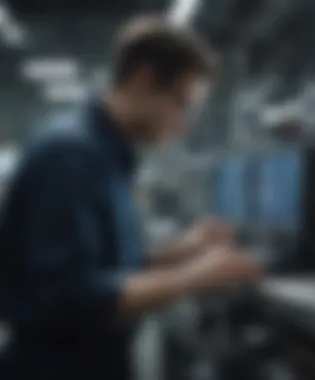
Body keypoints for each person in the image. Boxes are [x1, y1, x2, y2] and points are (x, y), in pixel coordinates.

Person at [0, 16, 260, 380]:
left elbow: (108, 264)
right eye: (181, 104)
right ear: (143, 80)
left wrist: (181, 250)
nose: (184, 124)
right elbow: (72, 298)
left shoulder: (108, 157)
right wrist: (193, 276)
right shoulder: (71, 155)